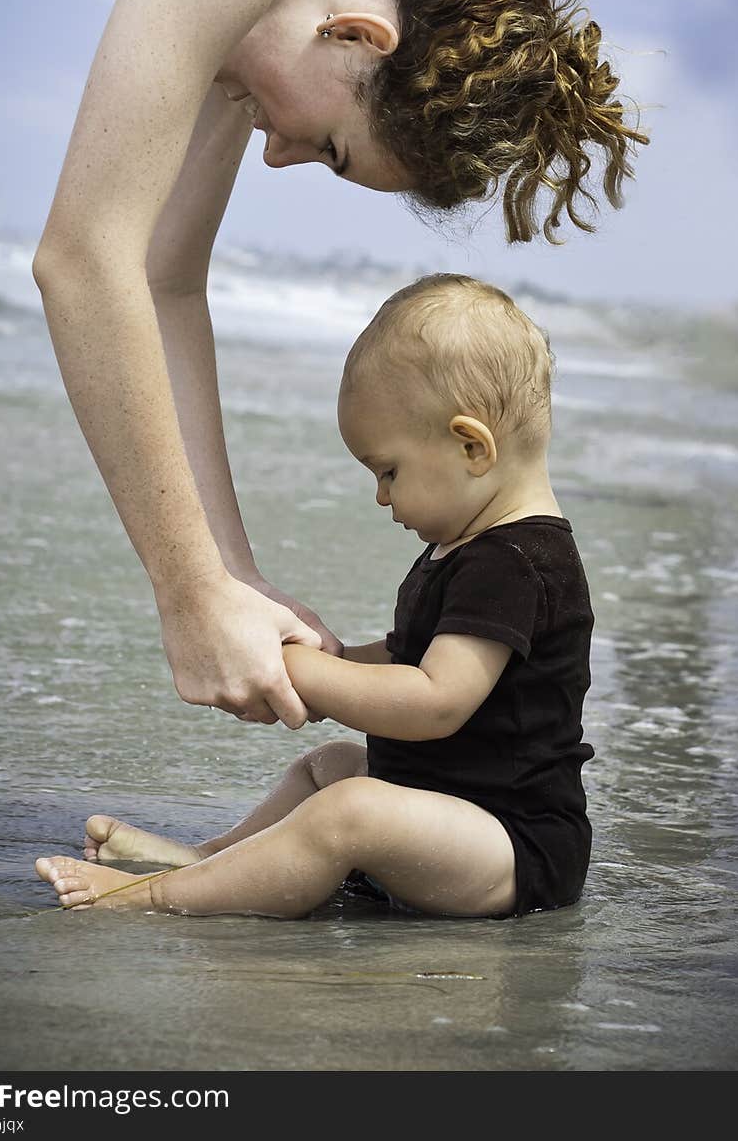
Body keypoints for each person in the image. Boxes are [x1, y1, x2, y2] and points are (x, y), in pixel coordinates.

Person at [0, 0, 641, 729]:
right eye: (333, 148)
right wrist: (188, 597)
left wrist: (232, 575)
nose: (278, 155)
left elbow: (164, 277)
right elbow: (84, 259)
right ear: (354, 36)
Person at [35, 274, 595, 920]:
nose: (381, 496)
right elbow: (408, 657)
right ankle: (209, 861)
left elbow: (436, 700)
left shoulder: (518, 561)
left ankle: (156, 896)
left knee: (349, 811)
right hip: (447, 810)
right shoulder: (470, 544)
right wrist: (333, 653)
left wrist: (309, 673)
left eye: (388, 470)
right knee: (327, 768)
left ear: (472, 446)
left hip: (513, 845)